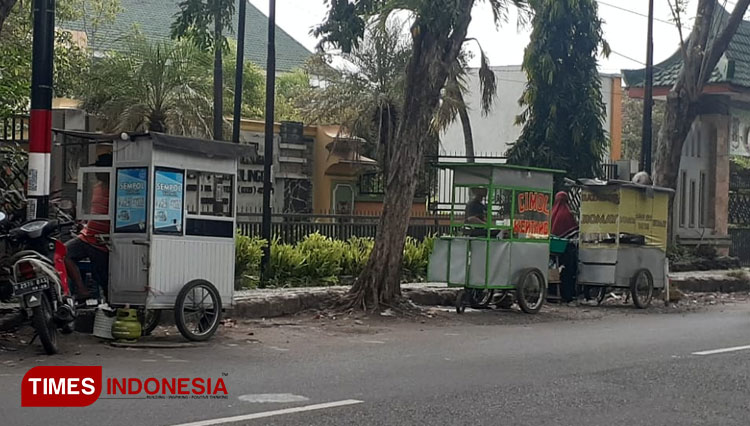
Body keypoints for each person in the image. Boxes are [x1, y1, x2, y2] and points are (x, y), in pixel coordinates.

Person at [65, 154, 111, 300]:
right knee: (63, 253)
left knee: (104, 279)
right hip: (87, 236)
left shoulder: (118, 189)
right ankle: (81, 289)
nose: (97, 173)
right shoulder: (96, 187)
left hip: (102, 242)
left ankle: (111, 307)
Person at [550, 191, 579, 303]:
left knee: (553, 270)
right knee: (569, 270)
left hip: (552, 248)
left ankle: (552, 292)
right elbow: (573, 231)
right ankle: (567, 295)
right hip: (566, 249)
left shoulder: (552, 213)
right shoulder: (567, 213)